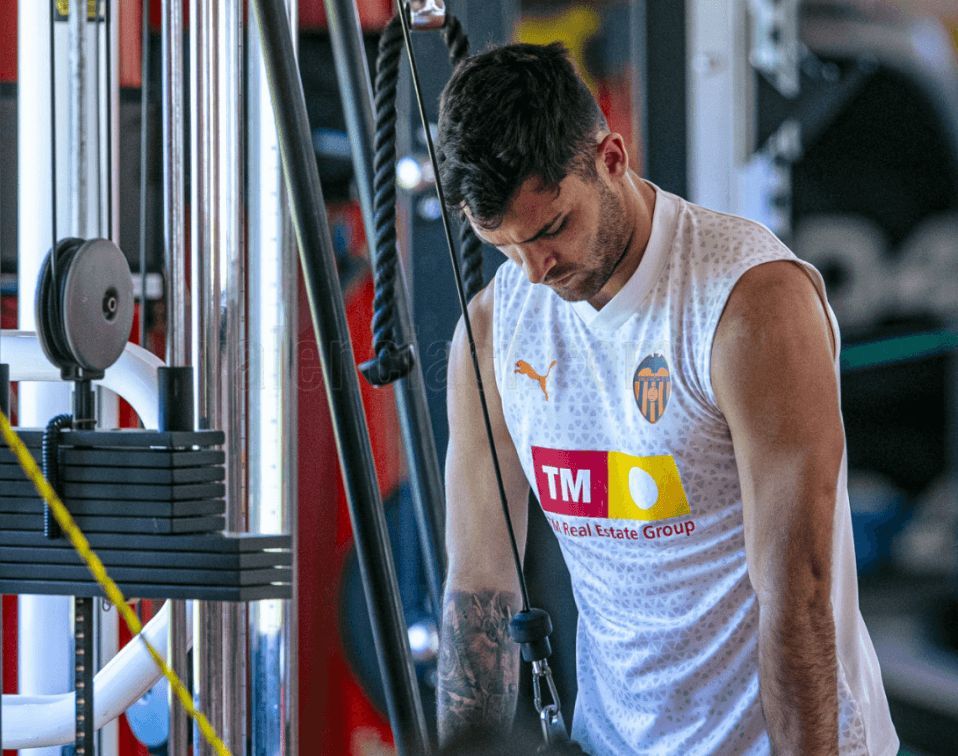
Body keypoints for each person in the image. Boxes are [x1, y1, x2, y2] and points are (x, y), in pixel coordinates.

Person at [435, 42, 899, 755]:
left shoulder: (747, 302)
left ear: (611, 158)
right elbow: (480, 592)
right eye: (505, 245)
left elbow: (797, 592)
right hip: (610, 740)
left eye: (554, 227)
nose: (536, 273)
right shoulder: (495, 331)